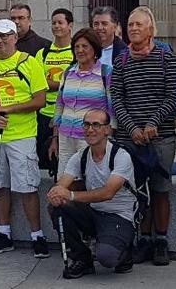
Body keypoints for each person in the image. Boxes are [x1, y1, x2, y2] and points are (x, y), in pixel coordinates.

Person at [0, 19, 51, 258]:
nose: (0, 40)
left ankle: (37, 235)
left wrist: (9, 110)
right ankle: (4, 234)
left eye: (5, 36)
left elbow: (40, 100)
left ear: (15, 37)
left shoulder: (29, 63)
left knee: (26, 187)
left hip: (21, 136)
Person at [110, 6, 176, 266]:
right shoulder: (122, 61)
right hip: (131, 137)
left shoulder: (166, 58)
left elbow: (172, 95)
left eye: (140, 24)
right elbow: (116, 97)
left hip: (160, 136)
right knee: (137, 191)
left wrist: (152, 124)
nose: (134, 29)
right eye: (130, 25)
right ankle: (144, 239)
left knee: (161, 190)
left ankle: (161, 240)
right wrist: (132, 128)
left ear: (151, 29)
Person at [48, 109, 136, 279]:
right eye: (87, 125)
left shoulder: (120, 155)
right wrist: (56, 193)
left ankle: (125, 253)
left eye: (96, 125)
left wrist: (70, 195)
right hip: (93, 212)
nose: (90, 129)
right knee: (57, 207)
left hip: (119, 215)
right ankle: (82, 258)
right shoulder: (79, 157)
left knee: (107, 258)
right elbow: (62, 185)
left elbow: (108, 192)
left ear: (107, 130)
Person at [50, 28, 113, 175]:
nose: (80, 50)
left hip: (92, 138)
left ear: (94, 48)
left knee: (90, 180)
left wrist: (109, 134)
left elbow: (112, 107)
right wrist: (55, 137)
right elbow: (59, 106)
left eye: (85, 46)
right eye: (77, 47)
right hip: (65, 137)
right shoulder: (68, 72)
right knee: (65, 180)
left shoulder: (106, 72)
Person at [35, 8, 75, 174]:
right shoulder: (43, 53)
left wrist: (51, 83)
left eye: (60, 22)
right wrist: (59, 83)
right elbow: (38, 84)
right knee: (43, 160)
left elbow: (73, 83)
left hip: (67, 114)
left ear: (70, 25)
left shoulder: (76, 51)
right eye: (54, 23)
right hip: (44, 113)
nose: (56, 26)